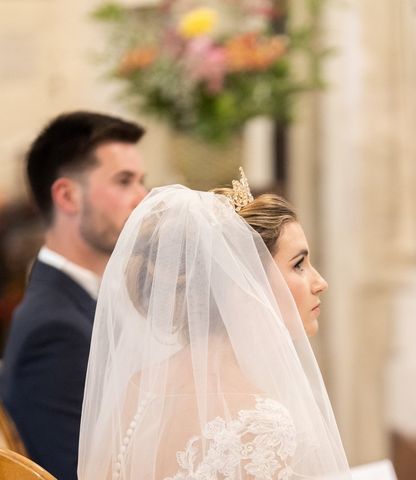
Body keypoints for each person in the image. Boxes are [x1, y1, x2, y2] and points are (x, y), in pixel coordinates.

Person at [78, 174, 350, 479]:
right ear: (244, 283)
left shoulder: (136, 390)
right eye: (298, 264)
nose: (320, 283)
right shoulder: (263, 424)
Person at [1, 111, 147, 479]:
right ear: (67, 195)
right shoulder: (54, 329)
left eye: (142, 181)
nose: (142, 197)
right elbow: (70, 471)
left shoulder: (80, 302)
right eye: (124, 181)